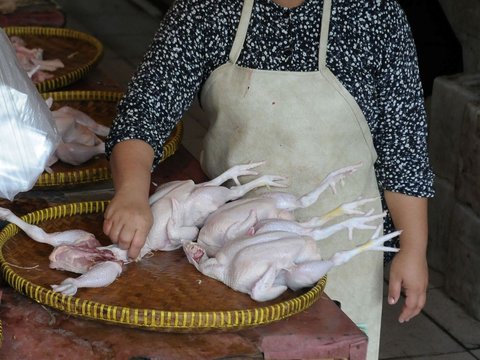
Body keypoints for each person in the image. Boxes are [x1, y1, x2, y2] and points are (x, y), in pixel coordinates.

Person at [102, 0, 434, 358]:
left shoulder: (374, 15)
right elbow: (142, 114)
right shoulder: (207, 10)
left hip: (340, 245)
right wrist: (132, 194)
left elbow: (404, 150)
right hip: (231, 248)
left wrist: (413, 247)